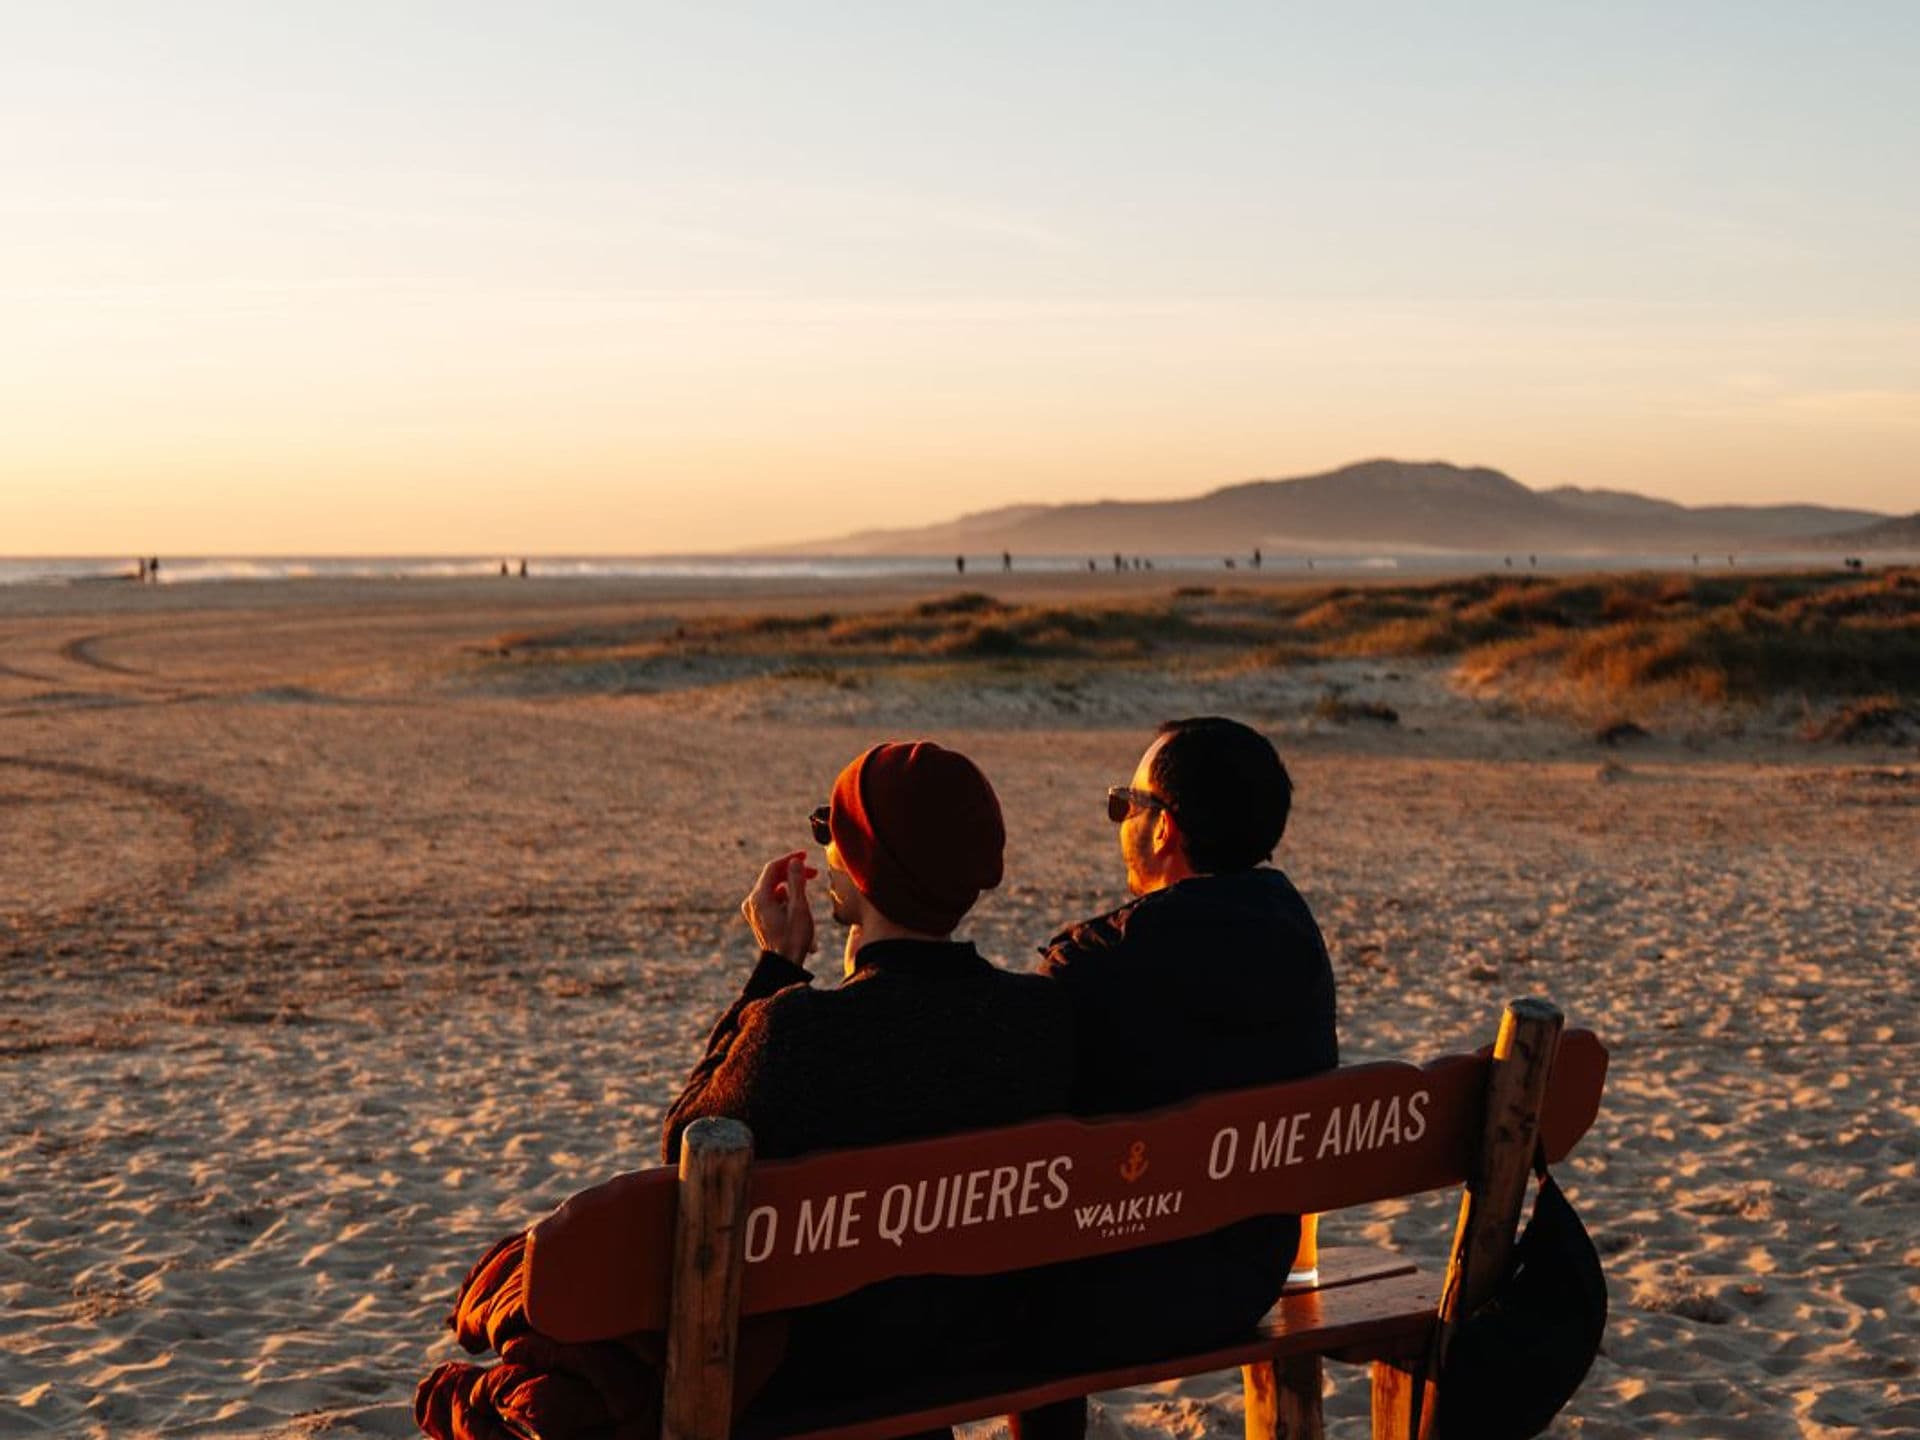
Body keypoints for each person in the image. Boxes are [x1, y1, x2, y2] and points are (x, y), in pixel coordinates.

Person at [417, 742, 1071, 1440]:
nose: (825, 854)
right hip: (985, 1350)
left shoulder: (801, 1034)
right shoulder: (1042, 1021)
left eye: (833, 833)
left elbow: (687, 1145)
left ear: (862, 868)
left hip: (822, 1380)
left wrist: (775, 971)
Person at [1013, 717, 1337, 1439]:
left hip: (1106, 1287)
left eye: (1126, 804)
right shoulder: (1296, 938)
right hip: (1247, 1273)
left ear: (1164, 830)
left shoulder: (1099, 963)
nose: (1121, 819)